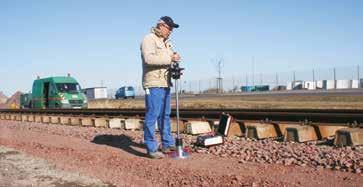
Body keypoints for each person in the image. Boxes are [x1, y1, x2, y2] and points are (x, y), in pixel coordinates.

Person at [140, 16, 181, 159]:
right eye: (169, 28)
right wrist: (170, 59)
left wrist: (175, 62)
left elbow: (168, 61)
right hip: (153, 83)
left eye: (172, 29)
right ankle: (151, 148)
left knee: (165, 115)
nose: (170, 31)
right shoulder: (149, 39)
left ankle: (167, 143)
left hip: (165, 83)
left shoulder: (167, 43)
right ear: (161, 25)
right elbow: (149, 59)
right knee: (153, 114)